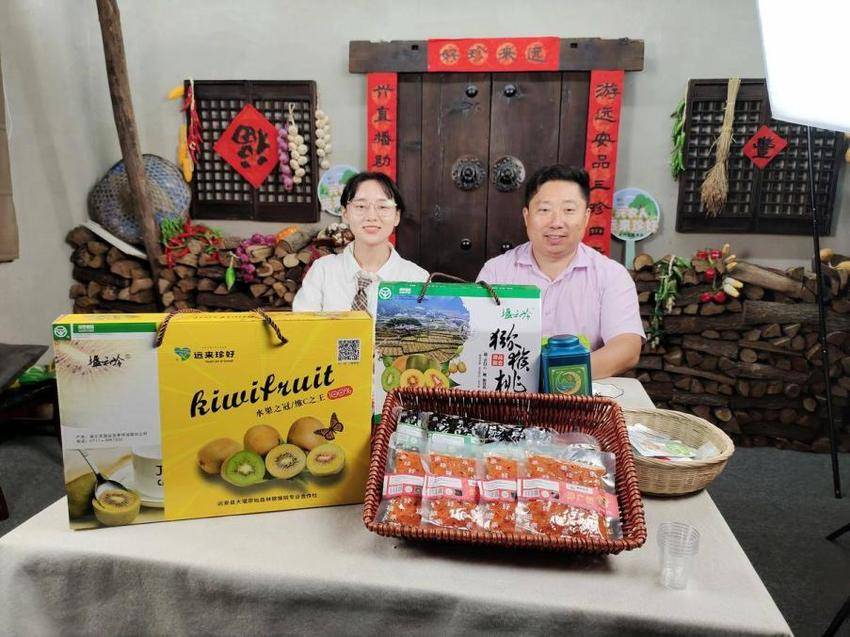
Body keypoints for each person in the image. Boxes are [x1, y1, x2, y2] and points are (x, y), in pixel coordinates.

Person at [477, 164, 644, 378]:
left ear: (586, 217)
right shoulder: (496, 272)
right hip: (507, 389)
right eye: (544, 210)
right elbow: (475, 340)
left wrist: (557, 376)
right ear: (527, 216)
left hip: (580, 391)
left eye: (569, 210)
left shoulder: (611, 275)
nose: (556, 223)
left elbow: (627, 348)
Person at [293, 172, 428, 314]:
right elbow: (302, 326)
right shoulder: (322, 272)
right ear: (345, 213)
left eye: (383, 207)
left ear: (397, 216)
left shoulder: (417, 279)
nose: (371, 216)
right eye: (360, 206)